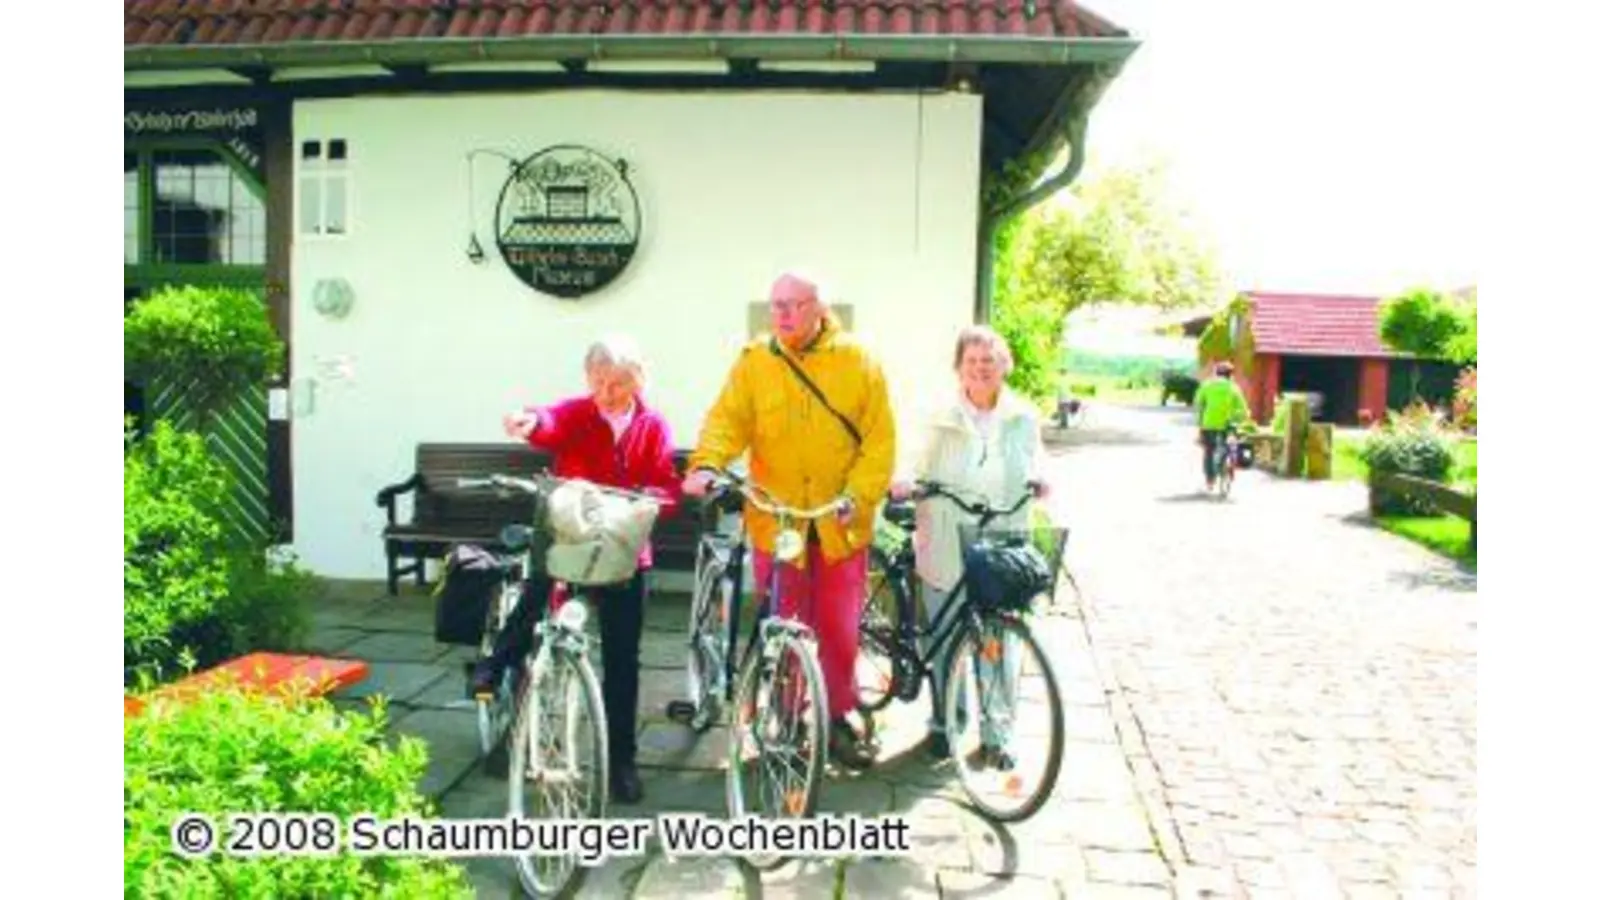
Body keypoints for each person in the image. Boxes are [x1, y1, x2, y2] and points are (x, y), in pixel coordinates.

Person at [681, 270, 895, 771]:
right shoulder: (755, 361)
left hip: (838, 521)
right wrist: (707, 464)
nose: (782, 314)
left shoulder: (859, 361)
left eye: (793, 305)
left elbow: (880, 441)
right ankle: (789, 716)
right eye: (776, 305)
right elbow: (727, 420)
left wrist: (858, 495)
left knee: (838, 627)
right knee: (784, 622)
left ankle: (838, 715)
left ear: (819, 306)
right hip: (777, 522)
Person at [472, 336, 681, 804]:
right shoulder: (578, 412)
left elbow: (667, 485)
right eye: (600, 382)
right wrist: (528, 421)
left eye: (620, 383)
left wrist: (653, 501)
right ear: (589, 379)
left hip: (623, 548)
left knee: (624, 660)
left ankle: (621, 762)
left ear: (640, 380)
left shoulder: (653, 425)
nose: (609, 393)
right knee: (537, 597)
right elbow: (547, 421)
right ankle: (497, 667)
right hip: (570, 535)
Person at [889, 325, 1048, 767]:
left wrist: (1043, 479)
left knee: (998, 638)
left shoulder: (1023, 416)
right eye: (972, 360)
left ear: (1004, 366)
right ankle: (945, 723)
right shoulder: (937, 415)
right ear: (959, 367)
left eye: (989, 360)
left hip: (1002, 536)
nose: (980, 368)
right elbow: (910, 456)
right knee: (943, 635)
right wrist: (903, 480)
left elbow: (1038, 460)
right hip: (943, 531)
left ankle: (998, 733)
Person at [1193, 361, 1251, 491]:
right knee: (1229, 445)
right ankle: (1227, 466)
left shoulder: (1206, 385)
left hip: (1209, 424)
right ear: (1230, 375)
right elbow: (1243, 409)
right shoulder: (1233, 388)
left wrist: (1200, 423)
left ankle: (1210, 481)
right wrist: (1243, 418)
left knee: (1209, 451)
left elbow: (1199, 404)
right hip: (1228, 424)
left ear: (1216, 373)